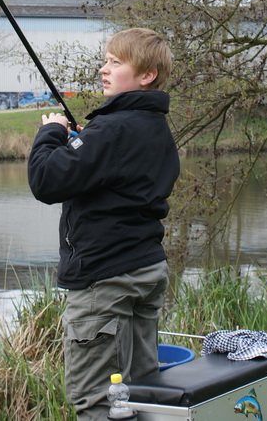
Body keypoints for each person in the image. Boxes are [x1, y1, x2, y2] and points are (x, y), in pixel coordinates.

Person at [28, 28, 180, 420]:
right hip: (146, 269)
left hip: (105, 279)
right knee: (143, 393)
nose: (103, 69)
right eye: (105, 61)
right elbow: (116, 177)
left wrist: (51, 132)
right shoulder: (155, 128)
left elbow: (45, 180)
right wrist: (85, 145)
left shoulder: (111, 130)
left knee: (98, 402)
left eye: (115, 62)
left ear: (146, 75)